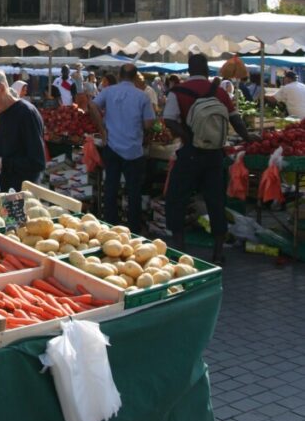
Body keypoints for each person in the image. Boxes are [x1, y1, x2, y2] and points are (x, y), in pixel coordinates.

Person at [164, 52, 255, 264]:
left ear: (189, 69)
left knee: (177, 198)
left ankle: (180, 248)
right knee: (216, 201)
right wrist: (248, 137)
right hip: (215, 154)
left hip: (190, 154)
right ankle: (217, 251)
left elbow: (169, 120)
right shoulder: (220, 93)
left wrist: (189, 137)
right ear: (206, 70)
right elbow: (236, 120)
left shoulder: (178, 91)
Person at [89, 63, 155, 233]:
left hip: (112, 146)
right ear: (135, 77)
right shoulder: (142, 96)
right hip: (134, 150)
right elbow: (149, 124)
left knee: (111, 188)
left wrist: (102, 131)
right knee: (134, 192)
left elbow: (92, 105)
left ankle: (111, 226)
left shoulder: (109, 92)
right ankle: (133, 229)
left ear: (119, 76)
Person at [0, 67, 45, 192]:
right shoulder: (2, 112)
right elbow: (12, 150)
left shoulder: (26, 113)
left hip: (23, 194)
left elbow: (37, 163)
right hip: (6, 190)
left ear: (1, 89)